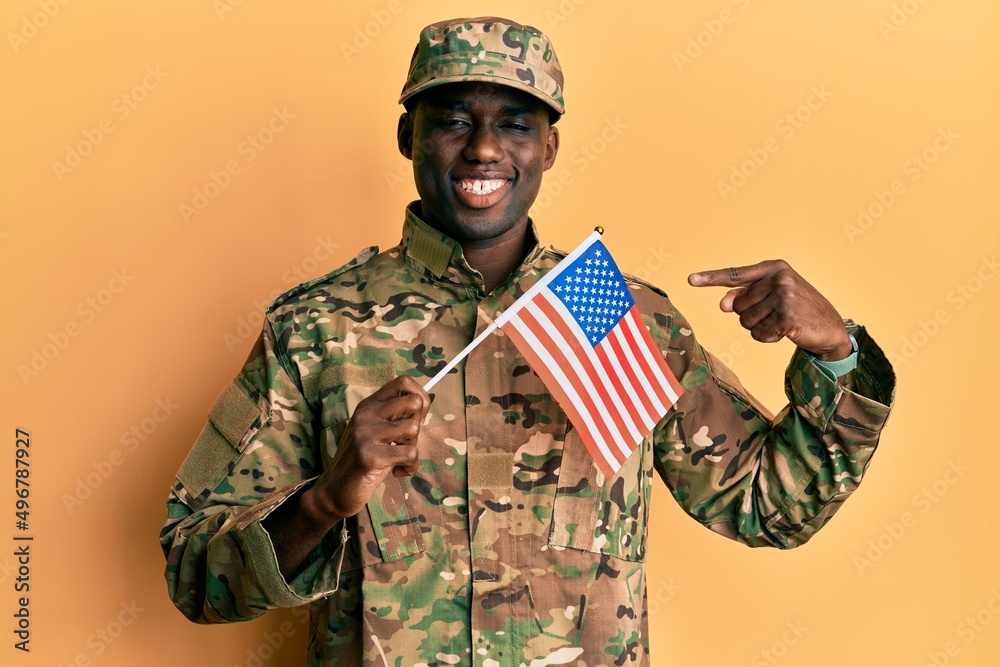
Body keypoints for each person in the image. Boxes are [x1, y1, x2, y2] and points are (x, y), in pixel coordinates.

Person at [161, 16, 895, 666]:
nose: (484, 148)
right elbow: (196, 574)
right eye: (454, 120)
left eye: (515, 124)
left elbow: (770, 507)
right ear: (408, 135)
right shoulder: (317, 329)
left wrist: (836, 355)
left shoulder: (616, 316)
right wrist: (323, 501)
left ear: (549, 145)